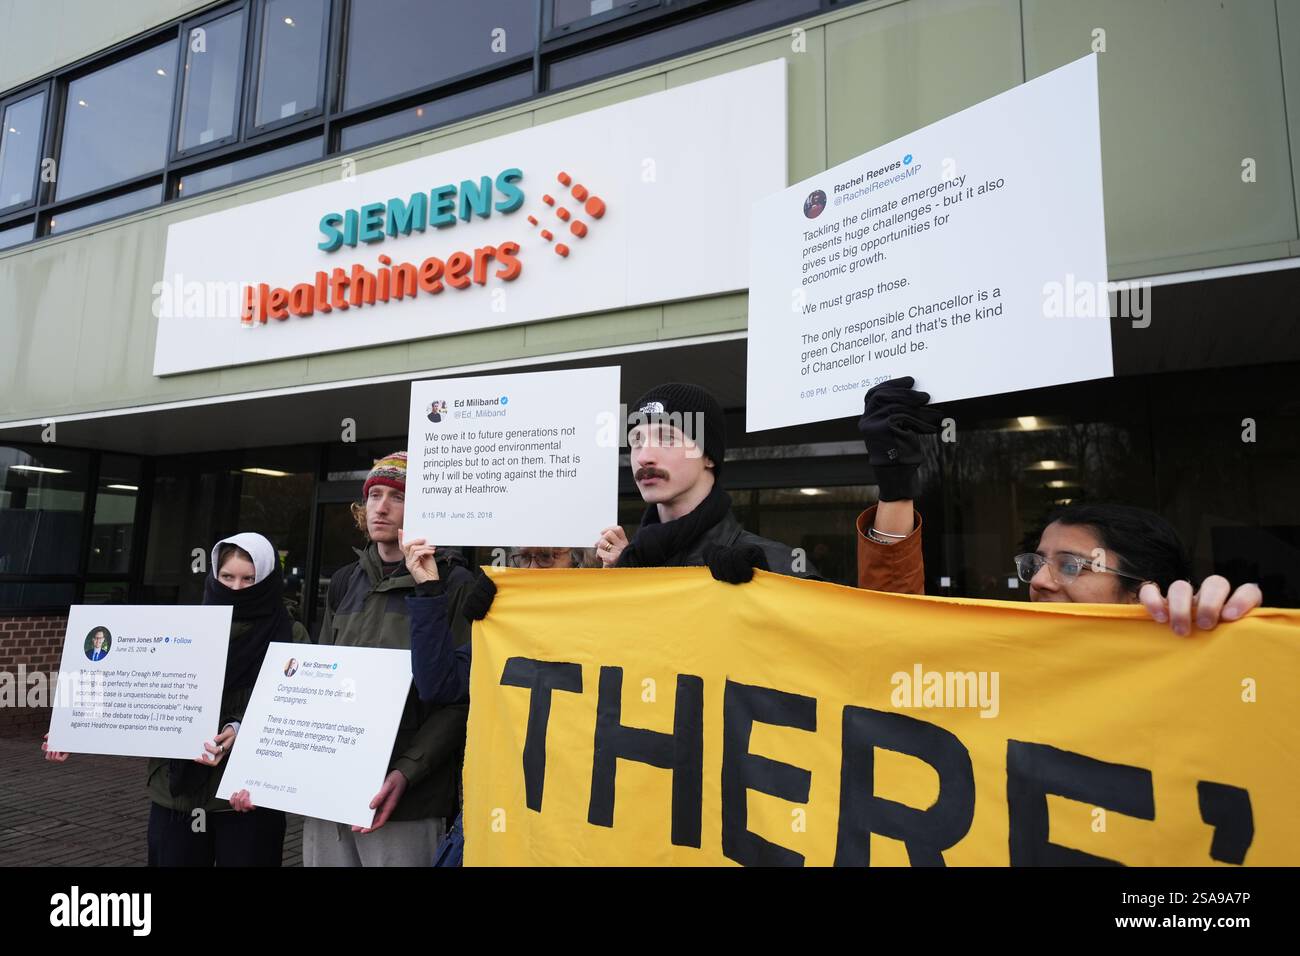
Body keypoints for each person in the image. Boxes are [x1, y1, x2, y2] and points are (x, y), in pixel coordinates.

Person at [851, 376, 1263, 631]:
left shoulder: (1190, 669)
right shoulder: (1003, 664)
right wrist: (895, 484)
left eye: (1071, 565)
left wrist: (1219, 635)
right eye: (1036, 562)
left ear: (1141, 593)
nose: (1039, 582)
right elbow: (896, 631)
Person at [45, 532, 303, 866]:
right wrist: (74, 727)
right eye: (227, 576)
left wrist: (240, 731)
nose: (236, 587)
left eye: (248, 579)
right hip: (176, 796)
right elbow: (136, 689)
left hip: (247, 797)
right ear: (214, 575)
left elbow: (291, 710)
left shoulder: (290, 633)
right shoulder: (183, 628)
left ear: (266, 580)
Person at [293, 451, 473, 867]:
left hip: (408, 799)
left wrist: (407, 771)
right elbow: (318, 681)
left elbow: (459, 700)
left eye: (398, 496)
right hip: (331, 787)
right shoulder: (343, 581)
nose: (382, 507)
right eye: (374, 495)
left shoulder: (454, 584)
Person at [399, 540, 596, 866]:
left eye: (546, 558)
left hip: (573, 822)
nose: (532, 570)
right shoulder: (503, 626)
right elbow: (439, 684)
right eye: (525, 559)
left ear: (578, 563)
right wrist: (430, 591)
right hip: (499, 812)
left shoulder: (600, 622)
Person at [595, 383, 821, 582]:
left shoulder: (779, 565)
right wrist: (617, 579)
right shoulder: (625, 565)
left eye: (666, 437)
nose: (643, 457)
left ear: (708, 456)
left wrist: (766, 591)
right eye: (637, 441)